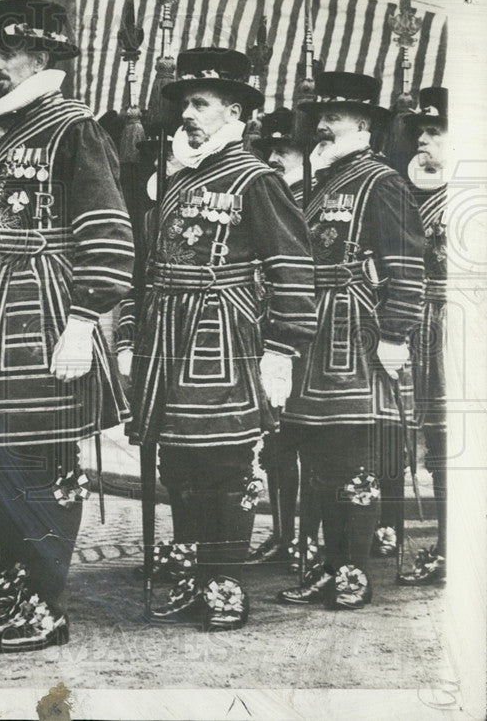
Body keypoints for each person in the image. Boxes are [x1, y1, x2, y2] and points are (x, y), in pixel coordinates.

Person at [0, 0, 134, 653]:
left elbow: (107, 226)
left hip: (48, 314)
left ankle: (48, 606)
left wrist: (84, 319)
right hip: (0, 313)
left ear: (42, 59)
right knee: (6, 457)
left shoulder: (74, 127)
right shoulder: (14, 128)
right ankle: (23, 594)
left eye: (7, 53)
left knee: (49, 459)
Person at [123, 47, 317, 631]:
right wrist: (134, 329)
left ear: (233, 110)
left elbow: (291, 264)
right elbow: (147, 261)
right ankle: (192, 571)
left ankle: (225, 580)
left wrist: (281, 349)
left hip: (222, 336)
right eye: (185, 103)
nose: (189, 114)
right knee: (178, 462)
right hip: (168, 338)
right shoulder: (178, 176)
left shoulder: (256, 178)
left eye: (201, 104)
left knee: (226, 462)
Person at [279, 71, 424, 610]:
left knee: (353, 459)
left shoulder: (380, 181)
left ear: (362, 123)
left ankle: (354, 572)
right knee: (317, 459)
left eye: (333, 117)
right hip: (311, 336)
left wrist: (394, 334)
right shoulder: (320, 182)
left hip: (356, 337)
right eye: (321, 116)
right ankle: (326, 565)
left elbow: (408, 265)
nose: (320, 125)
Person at [248, 107, 322, 570]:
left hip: (308, 331)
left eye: (285, 149)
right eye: (270, 149)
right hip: (265, 323)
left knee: (308, 438)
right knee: (275, 441)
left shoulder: (316, 199)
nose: (275, 157)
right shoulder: (264, 192)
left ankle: (308, 538)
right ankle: (280, 532)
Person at [398, 87, 448, 585]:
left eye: (435, 132)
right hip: (427, 325)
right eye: (422, 132)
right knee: (439, 441)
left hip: (462, 325)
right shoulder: (417, 196)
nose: (424, 140)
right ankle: (447, 546)